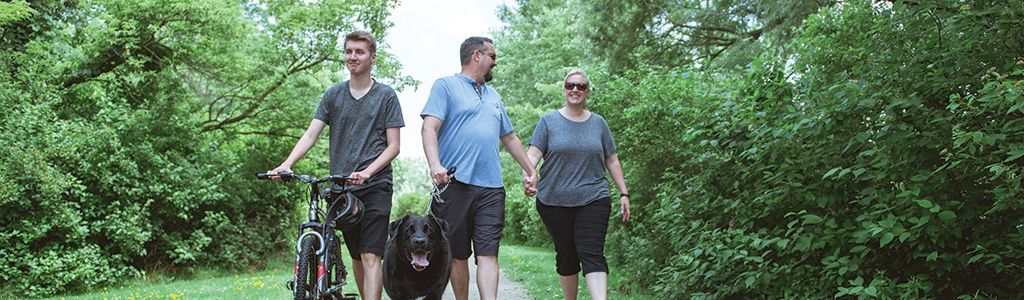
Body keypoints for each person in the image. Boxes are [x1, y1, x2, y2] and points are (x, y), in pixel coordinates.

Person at [268, 30, 402, 300]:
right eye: (349, 51)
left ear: (372, 57)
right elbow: (310, 134)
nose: (353, 56)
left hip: (375, 184)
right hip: (342, 189)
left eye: (359, 52)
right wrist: (287, 163)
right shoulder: (333, 95)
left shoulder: (386, 96)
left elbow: (394, 146)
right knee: (355, 254)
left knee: (370, 253)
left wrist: (366, 172)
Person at [420, 36, 538, 300]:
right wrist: (434, 164)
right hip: (454, 185)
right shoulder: (445, 86)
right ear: (477, 55)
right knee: (457, 254)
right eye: (492, 56)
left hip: (491, 188)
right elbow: (429, 127)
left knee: (488, 253)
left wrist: (531, 169)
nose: (495, 62)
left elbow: (508, 137)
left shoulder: (493, 95)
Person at [522, 69, 631, 300]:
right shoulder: (548, 121)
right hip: (553, 200)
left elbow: (611, 159)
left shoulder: (599, 124)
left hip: (594, 197)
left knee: (591, 251)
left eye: (581, 86)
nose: (575, 89)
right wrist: (528, 174)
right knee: (567, 255)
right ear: (564, 90)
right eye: (570, 85)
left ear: (587, 92)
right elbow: (532, 155)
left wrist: (624, 193)